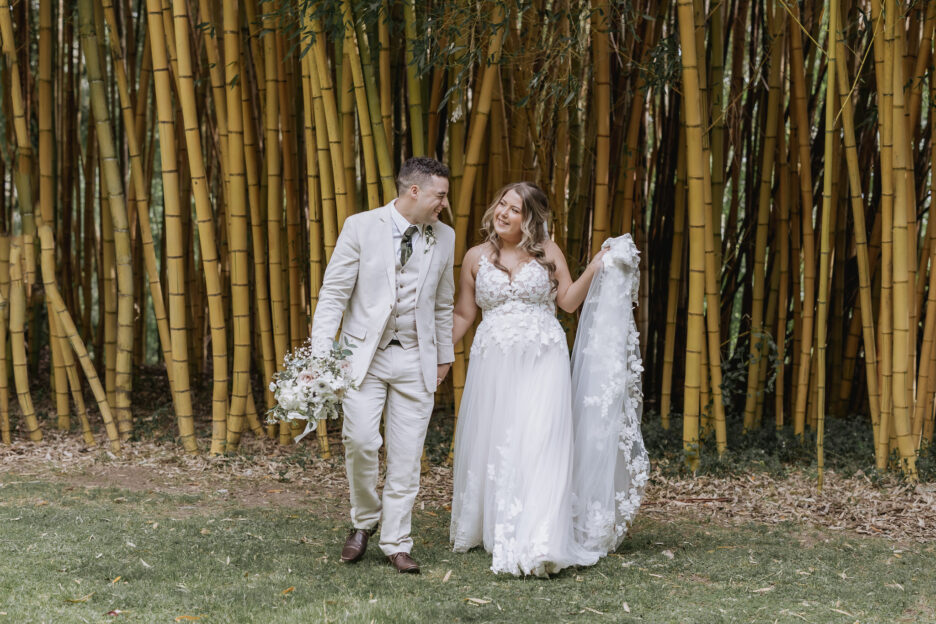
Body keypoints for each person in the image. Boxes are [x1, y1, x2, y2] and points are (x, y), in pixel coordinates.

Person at [449, 181, 608, 576]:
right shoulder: (474, 257)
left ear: (531, 218)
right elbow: (465, 315)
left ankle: (541, 537)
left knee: (540, 440)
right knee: (499, 440)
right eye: (501, 204)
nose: (503, 213)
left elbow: (568, 302)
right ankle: (500, 522)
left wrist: (596, 266)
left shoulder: (547, 252)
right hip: (494, 363)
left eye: (514, 209)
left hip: (543, 358)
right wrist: (434, 356)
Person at [310, 157, 455, 574]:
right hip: (363, 358)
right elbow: (333, 293)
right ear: (414, 191)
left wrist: (443, 357)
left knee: (408, 456)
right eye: (439, 195)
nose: (444, 203)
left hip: (416, 357)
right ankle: (363, 521)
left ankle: (396, 541)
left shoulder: (444, 237)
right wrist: (324, 355)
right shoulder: (361, 226)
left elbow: (443, 303)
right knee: (359, 442)